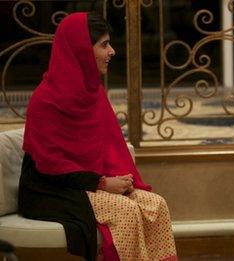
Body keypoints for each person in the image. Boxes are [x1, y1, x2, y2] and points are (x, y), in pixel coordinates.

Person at [18, 12, 177, 261]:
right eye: (104, 44)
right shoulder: (45, 101)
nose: (112, 51)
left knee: (155, 205)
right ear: (81, 50)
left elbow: (108, 149)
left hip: (93, 182)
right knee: (125, 211)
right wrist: (102, 183)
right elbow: (51, 168)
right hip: (51, 189)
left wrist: (118, 182)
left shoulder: (93, 93)